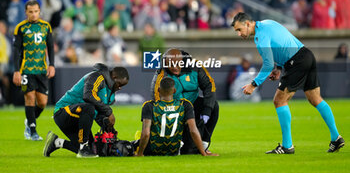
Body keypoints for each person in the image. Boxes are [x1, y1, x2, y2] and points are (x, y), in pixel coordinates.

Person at [231, 12, 345, 154]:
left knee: (279, 100)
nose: (238, 34)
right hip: (306, 55)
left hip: (296, 62)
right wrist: (279, 68)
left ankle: (287, 146)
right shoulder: (268, 22)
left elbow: (267, 65)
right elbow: (283, 42)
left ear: (248, 23)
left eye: (239, 30)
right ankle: (336, 137)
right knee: (315, 98)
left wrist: (253, 85)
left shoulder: (260, 37)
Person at [43, 63, 129, 158]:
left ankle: (56, 142)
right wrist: (109, 112)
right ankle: (83, 147)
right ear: (114, 77)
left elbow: (98, 112)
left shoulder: (111, 94)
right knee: (89, 108)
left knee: (94, 150)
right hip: (63, 112)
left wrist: (108, 127)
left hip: (79, 118)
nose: (120, 88)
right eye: (119, 84)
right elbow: (88, 95)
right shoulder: (97, 76)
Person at [150, 48, 219, 154]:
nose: (174, 68)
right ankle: (180, 143)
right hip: (175, 110)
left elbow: (209, 85)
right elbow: (156, 99)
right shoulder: (161, 74)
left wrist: (207, 110)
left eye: (177, 64)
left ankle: (204, 144)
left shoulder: (195, 66)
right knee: (188, 150)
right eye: (170, 65)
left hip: (194, 104)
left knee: (213, 105)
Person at [13, 0, 55, 141]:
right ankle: (33, 130)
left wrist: (52, 65)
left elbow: (50, 46)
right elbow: (16, 50)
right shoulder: (21, 28)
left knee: (42, 102)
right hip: (26, 69)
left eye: (36, 11)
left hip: (41, 69)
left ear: (39, 11)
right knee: (29, 97)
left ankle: (29, 120)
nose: (33, 14)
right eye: (30, 11)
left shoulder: (46, 27)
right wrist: (16, 70)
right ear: (26, 12)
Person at [137, 77, 210, 156]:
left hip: (152, 151)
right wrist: (203, 153)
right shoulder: (185, 105)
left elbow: (146, 133)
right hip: (173, 151)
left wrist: (140, 154)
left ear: (158, 90)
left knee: (133, 143)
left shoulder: (149, 106)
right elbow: (193, 130)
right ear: (174, 91)